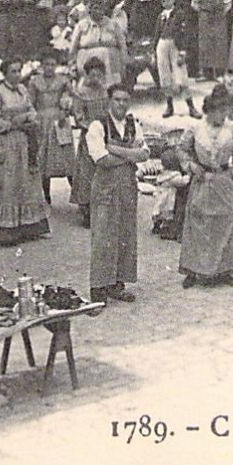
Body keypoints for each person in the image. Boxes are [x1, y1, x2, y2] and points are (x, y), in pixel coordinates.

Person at [178, 86, 233, 286]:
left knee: (227, 219)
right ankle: (194, 269)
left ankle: (225, 268)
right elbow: (182, 151)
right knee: (199, 220)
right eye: (218, 112)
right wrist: (192, 166)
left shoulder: (232, 129)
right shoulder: (195, 128)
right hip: (203, 180)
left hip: (223, 179)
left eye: (225, 111)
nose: (222, 116)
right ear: (208, 111)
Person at [87, 82, 149, 302]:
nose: (122, 104)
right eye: (117, 100)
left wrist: (115, 149)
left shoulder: (133, 123)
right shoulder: (98, 126)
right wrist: (129, 154)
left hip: (127, 187)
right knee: (103, 236)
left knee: (125, 235)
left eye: (125, 100)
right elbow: (101, 158)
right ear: (109, 101)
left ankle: (117, 284)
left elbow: (145, 154)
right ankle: (98, 288)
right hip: (105, 187)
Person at [0, 58, 48, 245]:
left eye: (19, 71)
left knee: (24, 181)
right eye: (13, 71)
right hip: (5, 141)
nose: (17, 75)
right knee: (7, 183)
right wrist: (13, 123)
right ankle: (4, 228)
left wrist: (28, 117)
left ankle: (27, 226)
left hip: (23, 141)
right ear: (5, 73)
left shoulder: (23, 90)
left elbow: (32, 111)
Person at [66, 57, 111, 227]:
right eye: (92, 75)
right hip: (89, 136)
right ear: (87, 75)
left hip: (105, 135)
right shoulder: (81, 93)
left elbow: (110, 111)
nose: (95, 79)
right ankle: (86, 209)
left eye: (99, 75)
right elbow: (78, 117)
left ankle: (104, 207)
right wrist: (91, 127)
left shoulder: (105, 91)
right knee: (87, 172)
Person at [28, 53, 74, 203]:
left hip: (59, 119)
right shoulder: (35, 81)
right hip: (42, 120)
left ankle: (78, 194)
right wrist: (33, 118)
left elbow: (70, 97)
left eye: (52, 64)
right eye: (46, 64)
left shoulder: (63, 81)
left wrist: (65, 110)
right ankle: (46, 196)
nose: (49, 67)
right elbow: (30, 103)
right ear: (41, 66)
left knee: (66, 157)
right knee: (43, 157)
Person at [154, 0, 199, 118]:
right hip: (162, 44)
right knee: (164, 76)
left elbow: (185, 33)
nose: (165, 2)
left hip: (175, 45)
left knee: (181, 75)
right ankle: (169, 106)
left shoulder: (180, 14)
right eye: (163, 0)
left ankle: (191, 107)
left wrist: (183, 51)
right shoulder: (161, 16)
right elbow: (157, 34)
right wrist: (154, 51)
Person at [71, 0, 124, 86]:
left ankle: (110, 87)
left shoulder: (113, 24)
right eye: (95, 8)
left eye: (101, 8)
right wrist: (72, 63)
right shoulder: (81, 25)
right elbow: (73, 46)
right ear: (90, 10)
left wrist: (123, 61)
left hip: (110, 57)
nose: (98, 11)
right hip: (87, 56)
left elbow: (122, 45)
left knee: (106, 53)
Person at [190, 0, 231, 80]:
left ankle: (219, 73)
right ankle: (206, 73)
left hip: (219, 16)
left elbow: (228, 2)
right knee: (205, 43)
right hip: (205, 16)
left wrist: (221, 13)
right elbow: (194, 2)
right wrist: (203, 12)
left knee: (220, 42)